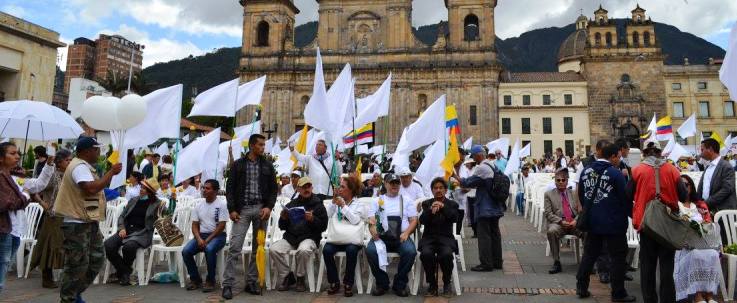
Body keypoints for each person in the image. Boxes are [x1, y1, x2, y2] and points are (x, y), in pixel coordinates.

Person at [54, 137, 123, 303]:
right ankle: (68, 298)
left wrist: (110, 174)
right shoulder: (79, 167)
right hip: (76, 223)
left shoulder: (85, 167)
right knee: (77, 264)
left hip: (87, 221)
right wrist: (111, 172)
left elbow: (98, 186)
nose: (99, 152)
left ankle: (74, 293)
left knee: (96, 260)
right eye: (96, 149)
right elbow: (91, 188)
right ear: (87, 151)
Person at [575, 142, 635, 302]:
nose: (619, 160)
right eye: (619, 157)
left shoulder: (586, 171)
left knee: (589, 255)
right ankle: (618, 293)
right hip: (613, 222)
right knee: (617, 258)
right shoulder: (615, 174)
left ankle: (581, 286)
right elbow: (625, 198)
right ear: (613, 156)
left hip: (592, 222)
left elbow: (581, 194)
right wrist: (633, 216)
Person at [629, 141, 687, 303]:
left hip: (646, 224)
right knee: (667, 268)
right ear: (660, 153)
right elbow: (683, 196)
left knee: (647, 267)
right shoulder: (672, 170)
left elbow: (628, 195)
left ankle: (650, 300)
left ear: (645, 153)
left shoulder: (637, 170)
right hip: (668, 224)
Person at [223, 134, 277, 300]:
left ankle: (251, 281)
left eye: (264, 145)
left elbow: (274, 190)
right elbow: (230, 189)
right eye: (260, 145)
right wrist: (232, 209)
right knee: (235, 247)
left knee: (257, 248)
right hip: (242, 211)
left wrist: (269, 207)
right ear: (252, 145)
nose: (263, 148)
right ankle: (228, 284)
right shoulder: (238, 165)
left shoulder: (268, 166)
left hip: (261, 210)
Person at [272, 176, 328, 292]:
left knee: (303, 250)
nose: (306, 189)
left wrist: (313, 219)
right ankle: (287, 276)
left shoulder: (318, 204)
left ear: (312, 187)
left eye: (308, 186)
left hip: (309, 237)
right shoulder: (291, 204)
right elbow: (282, 227)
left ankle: (300, 277)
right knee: (274, 249)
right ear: (298, 189)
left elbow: (323, 226)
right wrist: (283, 218)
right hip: (291, 238)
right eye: (303, 187)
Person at [366, 173, 418, 297]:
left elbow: (414, 220)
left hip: (401, 237)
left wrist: (406, 233)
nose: (394, 185)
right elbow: (371, 220)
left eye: (397, 183)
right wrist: (373, 231)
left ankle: (399, 283)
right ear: (385, 184)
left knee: (410, 252)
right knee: (371, 250)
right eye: (391, 182)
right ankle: (382, 283)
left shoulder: (406, 200)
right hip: (382, 238)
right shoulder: (377, 201)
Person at [104, 177, 163, 286]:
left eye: (144, 189)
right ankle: (125, 271)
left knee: (129, 247)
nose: (141, 189)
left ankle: (123, 273)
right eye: (141, 187)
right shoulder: (134, 200)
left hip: (142, 233)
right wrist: (121, 228)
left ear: (150, 192)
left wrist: (172, 200)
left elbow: (166, 216)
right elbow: (122, 216)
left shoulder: (157, 204)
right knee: (108, 245)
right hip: (126, 230)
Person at [673, 174, 722, 302]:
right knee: (696, 255)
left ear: (691, 187)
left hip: (702, 243)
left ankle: (709, 294)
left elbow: (707, 224)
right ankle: (698, 295)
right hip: (684, 246)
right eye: (682, 185)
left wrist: (706, 223)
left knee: (713, 254)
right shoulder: (674, 205)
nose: (684, 187)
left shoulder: (699, 205)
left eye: (687, 184)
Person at [29, 149, 72, 288]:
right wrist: (43, 203)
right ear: (59, 163)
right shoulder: (52, 175)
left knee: (64, 246)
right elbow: (34, 189)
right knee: (50, 247)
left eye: (71, 160)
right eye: (67, 160)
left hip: (67, 215)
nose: (70, 162)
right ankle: (46, 278)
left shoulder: (69, 175)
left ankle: (65, 276)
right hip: (53, 216)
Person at [457, 145, 505, 272]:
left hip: (485, 206)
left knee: (484, 235)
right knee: (495, 234)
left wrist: (455, 176)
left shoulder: (482, 168)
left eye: (474, 157)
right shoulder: (492, 165)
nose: (474, 160)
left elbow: (467, 182)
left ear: (479, 155)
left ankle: (486, 263)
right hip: (495, 205)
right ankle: (497, 262)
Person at [322, 175, 367, 297]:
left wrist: (343, 206)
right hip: (336, 238)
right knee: (326, 250)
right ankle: (334, 282)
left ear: (351, 189)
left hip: (352, 240)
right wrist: (333, 201)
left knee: (351, 251)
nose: (340, 189)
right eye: (339, 187)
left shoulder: (359, 204)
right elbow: (328, 215)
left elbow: (355, 220)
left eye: (342, 187)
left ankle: (348, 283)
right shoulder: (337, 201)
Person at [182, 180, 228, 293]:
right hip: (201, 235)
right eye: (204, 188)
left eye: (208, 188)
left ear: (215, 191)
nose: (204, 190)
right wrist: (198, 239)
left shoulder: (221, 205)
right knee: (186, 251)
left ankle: (210, 280)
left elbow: (221, 226)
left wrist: (206, 240)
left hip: (218, 236)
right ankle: (195, 279)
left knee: (209, 249)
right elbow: (194, 225)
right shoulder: (198, 206)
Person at [418, 178, 459, 297]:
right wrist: (431, 210)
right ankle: (432, 284)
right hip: (429, 239)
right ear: (432, 190)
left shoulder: (452, 204)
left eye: (441, 188)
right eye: (435, 188)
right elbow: (422, 221)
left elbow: (454, 218)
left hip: (445, 238)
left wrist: (443, 207)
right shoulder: (427, 203)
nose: (438, 190)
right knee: (425, 254)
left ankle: (446, 283)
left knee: (446, 254)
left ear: (446, 190)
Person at [0, 142, 31, 293]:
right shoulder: (1, 176)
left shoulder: (9, 175)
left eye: (17, 153)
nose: (17, 156)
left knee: (4, 267)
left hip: (12, 228)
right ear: (1, 158)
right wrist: (25, 195)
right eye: (12, 153)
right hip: (3, 229)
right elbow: (8, 203)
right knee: (2, 265)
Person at [697, 138, 737, 241]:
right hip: (708, 212)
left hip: (722, 213)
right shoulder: (708, 167)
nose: (700, 153)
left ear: (710, 149)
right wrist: (698, 203)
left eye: (702, 150)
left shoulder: (726, 166)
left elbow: (727, 189)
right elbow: (702, 189)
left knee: (724, 243)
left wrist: (707, 203)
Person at [544, 168, 583, 274]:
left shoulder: (574, 193)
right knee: (551, 231)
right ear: (555, 181)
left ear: (567, 181)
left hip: (574, 223)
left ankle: (587, 262)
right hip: (559, 224)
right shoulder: (549, 194)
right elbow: (548, 213)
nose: (561, 182)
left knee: (588, 231)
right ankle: (556, 262)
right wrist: (560, 221)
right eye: (558, 180)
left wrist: (575, 220)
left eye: (563, 180)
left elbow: (581, 211)